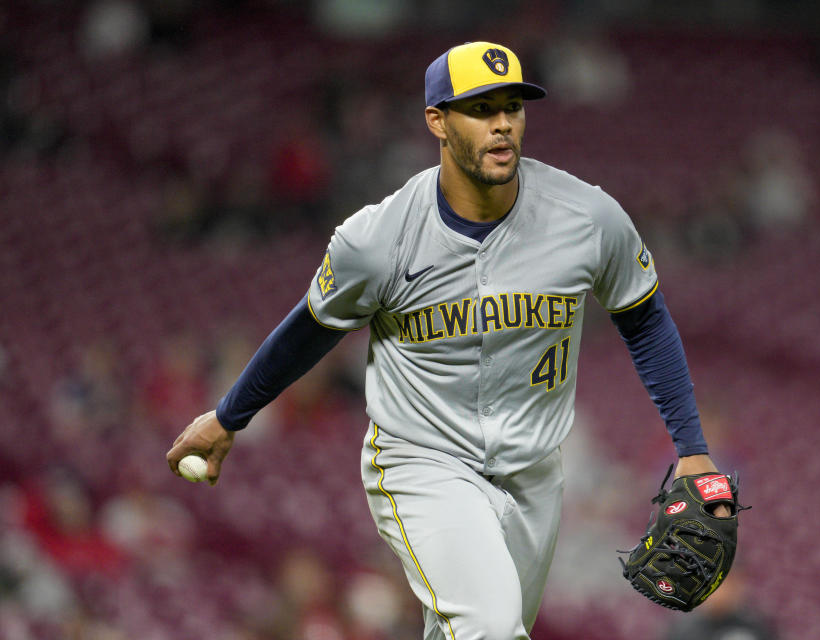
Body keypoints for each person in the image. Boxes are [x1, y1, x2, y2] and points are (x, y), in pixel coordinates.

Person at [166, 41, 730, 640]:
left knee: (472, 632)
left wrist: (691, 446)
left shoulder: (587, 217)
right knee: (489, 628)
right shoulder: (378, 239)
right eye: (480, 109)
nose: (502, 124)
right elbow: (311, 328)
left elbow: (643, 318)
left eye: (512, 106)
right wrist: (229, 417)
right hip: (422, 461)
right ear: (437, 120)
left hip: (534, 469)